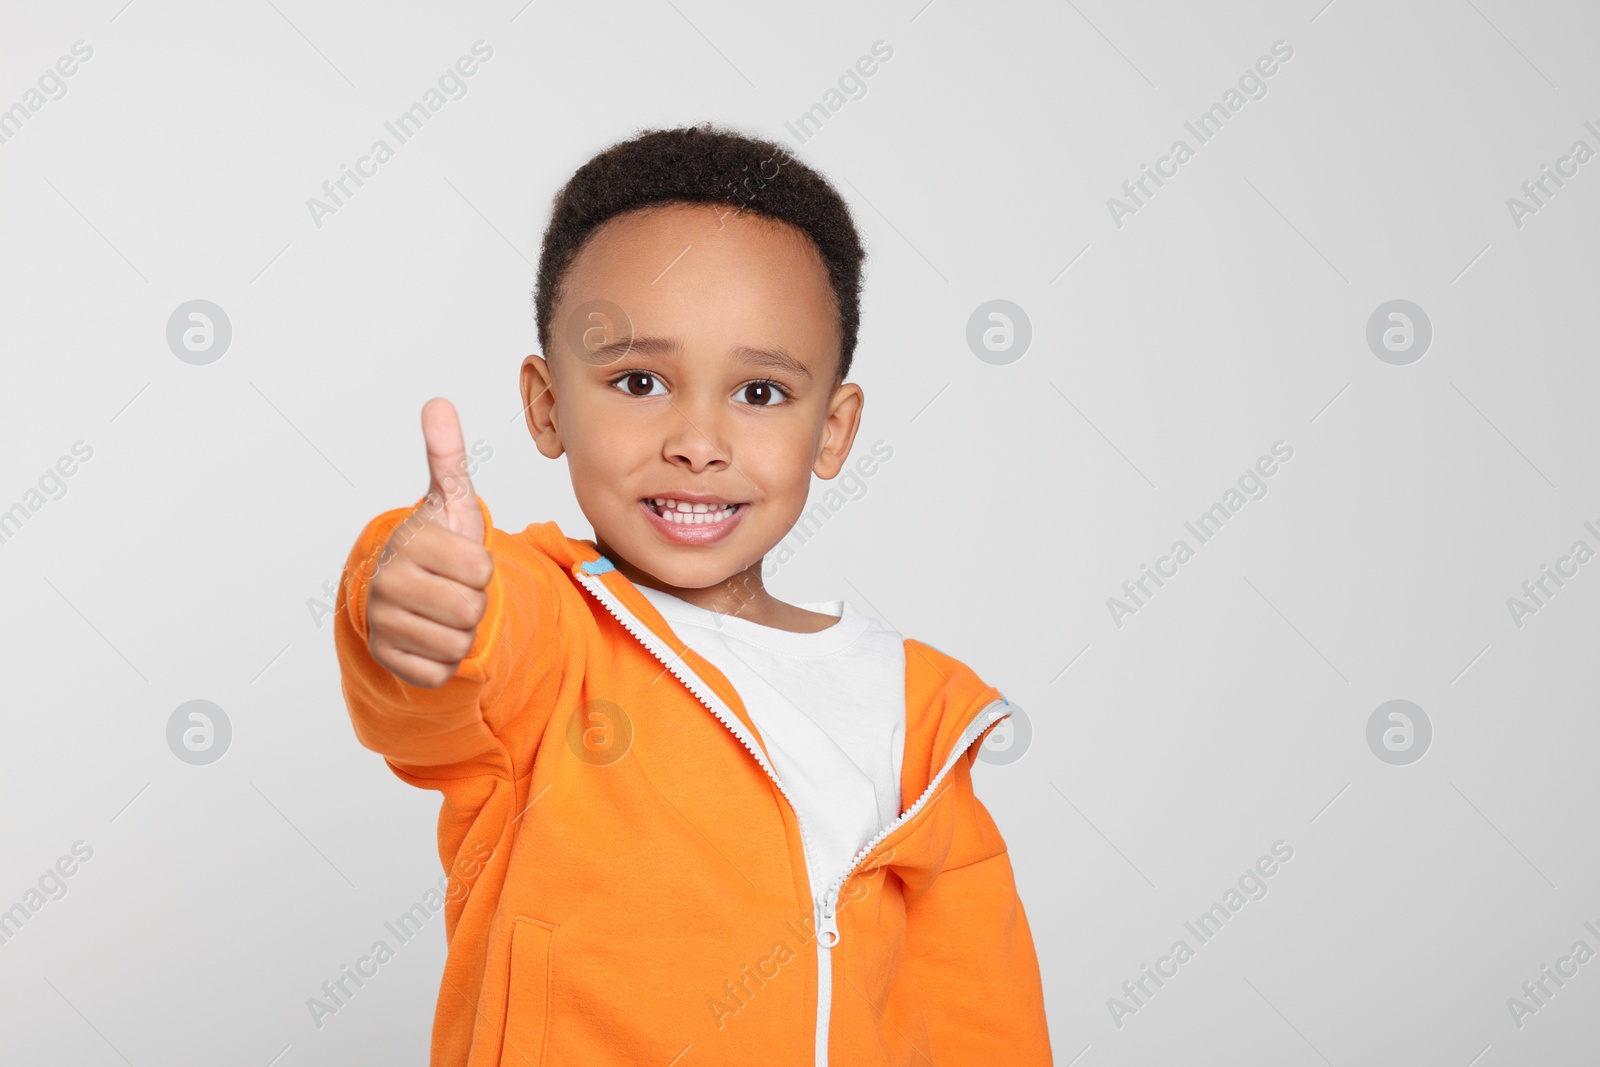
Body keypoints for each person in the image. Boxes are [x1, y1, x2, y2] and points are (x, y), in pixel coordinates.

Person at [333, 122, 1052, 1065]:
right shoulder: (548, 633)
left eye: (759, 393)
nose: (698, 441)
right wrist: (418, 591)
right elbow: (461, 660)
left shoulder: (917, 710)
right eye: (639, 380)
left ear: (833, 432)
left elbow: (977, 1017)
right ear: (548, 406)